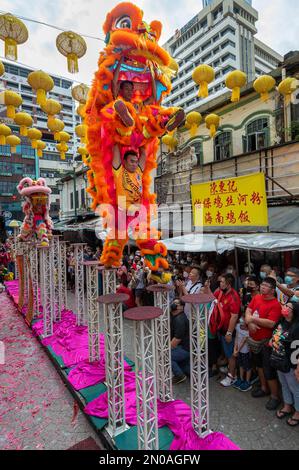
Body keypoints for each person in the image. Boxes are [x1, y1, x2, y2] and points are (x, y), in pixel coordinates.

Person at [245, 277, 282, 410]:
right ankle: (263, 387)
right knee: (259, 366)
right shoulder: (257, 297)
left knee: (268, 370)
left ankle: (275, 396)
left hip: (266, 342)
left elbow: (271, 323)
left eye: (266, 286)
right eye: (262, 285)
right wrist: (249, 321)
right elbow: (248, 310)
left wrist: (252, 320)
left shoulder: (276, 305)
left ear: (272, 290)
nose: (262, 287)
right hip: (254, 340)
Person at [269, 302, 299, 426]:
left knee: (295, 388)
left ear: (294, 311)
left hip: (291, 362)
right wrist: (272, 340)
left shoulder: (297, 327)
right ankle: (287, 406)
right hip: (278, 359)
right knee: (284, 384)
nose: (284, 308)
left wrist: (297, 367)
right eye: (285, 305)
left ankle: (298, 412)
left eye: (288, 307)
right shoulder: (280, 321)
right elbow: (275, 335)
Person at [212, 274, 241, 387]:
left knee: (231, 355)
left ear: (229, 284)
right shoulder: (221, 292)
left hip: (229, 331)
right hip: (221, 328)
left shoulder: (234, 297)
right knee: (226, 352)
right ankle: (230, 368)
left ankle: (231, 376)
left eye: (223, 282)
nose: (220, 284)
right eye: (220, 282)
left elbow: (234, 317)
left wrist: (229, 332)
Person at [170, 299, 190, 384]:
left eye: (176, 304)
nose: (173, 305)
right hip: (183, 347)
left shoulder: (180, 320)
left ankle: (179, 376)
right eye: (173, 303)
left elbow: (176, 341)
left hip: (184, 349)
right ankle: (184, 370)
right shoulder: (174, 316)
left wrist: (164, 349)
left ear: (181, 307)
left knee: (165, 356)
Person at [233, 314, 252, 392]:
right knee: (240, 365)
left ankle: (247, 382)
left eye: (243, 319)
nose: (241, 319)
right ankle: (241, 378)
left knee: (247, 367)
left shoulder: (248, 332)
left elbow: (243, 342)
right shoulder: (237, 326)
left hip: (245, 351)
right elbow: (237, 338)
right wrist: (235, 349)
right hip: (239, 351)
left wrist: (237, 350)